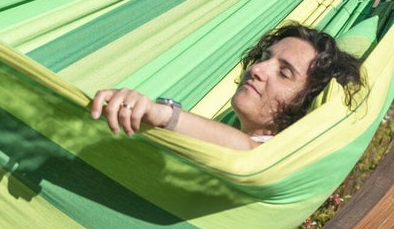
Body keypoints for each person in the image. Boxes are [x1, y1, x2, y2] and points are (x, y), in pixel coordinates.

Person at [89, 23, 364, 149]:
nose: (257, 69)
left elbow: (248, 151)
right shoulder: (225, 128)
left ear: (305, 102)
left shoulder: (272, 158)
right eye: (265, 58)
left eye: (283, 73)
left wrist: (160, 112)